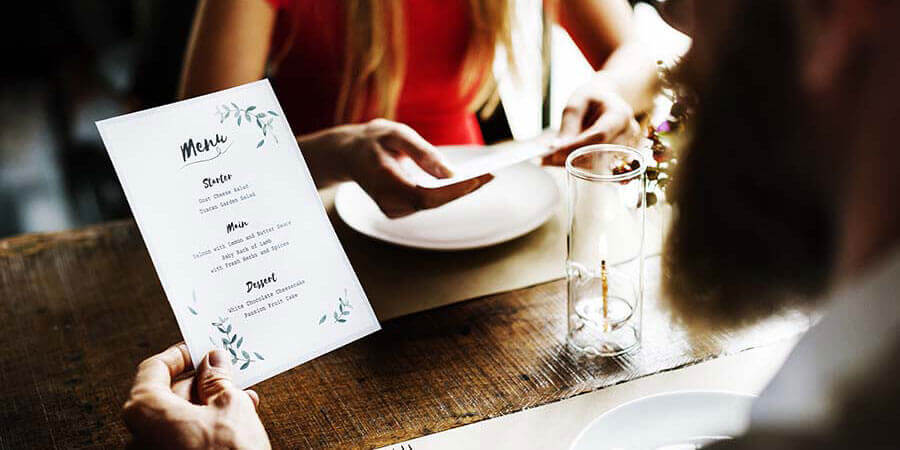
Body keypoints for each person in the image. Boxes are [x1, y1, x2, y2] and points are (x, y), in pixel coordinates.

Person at [179, 0, 657, 217]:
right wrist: (338, 154)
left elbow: (643, 57)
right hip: (306, 216)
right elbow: (195, 155)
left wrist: (612, 89)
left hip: (475, 210)